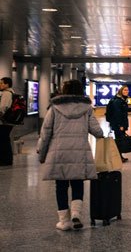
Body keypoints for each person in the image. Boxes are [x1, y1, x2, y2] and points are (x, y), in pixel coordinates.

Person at [37, 79, 105, 231]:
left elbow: (45, 133)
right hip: (79, 152)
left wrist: (42, 154)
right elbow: (97, 131)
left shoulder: (54, 107)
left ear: (64, 91)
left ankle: (64, 221)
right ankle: (76, 214)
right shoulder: (87, 108)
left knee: (61, 186)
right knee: (77, 183)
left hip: (59, 153)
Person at [105, 85, 130, 162]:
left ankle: (120, 156)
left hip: (119, 124)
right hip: (118, 125)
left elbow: (122, 110)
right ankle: (119, 157)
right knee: (119, 141)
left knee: (120, 140)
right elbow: (117, 114)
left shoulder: (121, 99)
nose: (126, 91)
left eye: (127, 90)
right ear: (121, 91)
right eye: (125, 90)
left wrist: (129, 109)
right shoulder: (118, 101)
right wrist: (120, 125)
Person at [0, 77, 16, 166]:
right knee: (5, 139)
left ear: (7, 84)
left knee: (3, 140)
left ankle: (5, 160)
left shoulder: (6, 93)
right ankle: (7, 159)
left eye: (2, 83)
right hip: (8, 121)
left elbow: (3, 107)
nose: (0, 85)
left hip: (4, 121)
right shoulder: (11, 92)